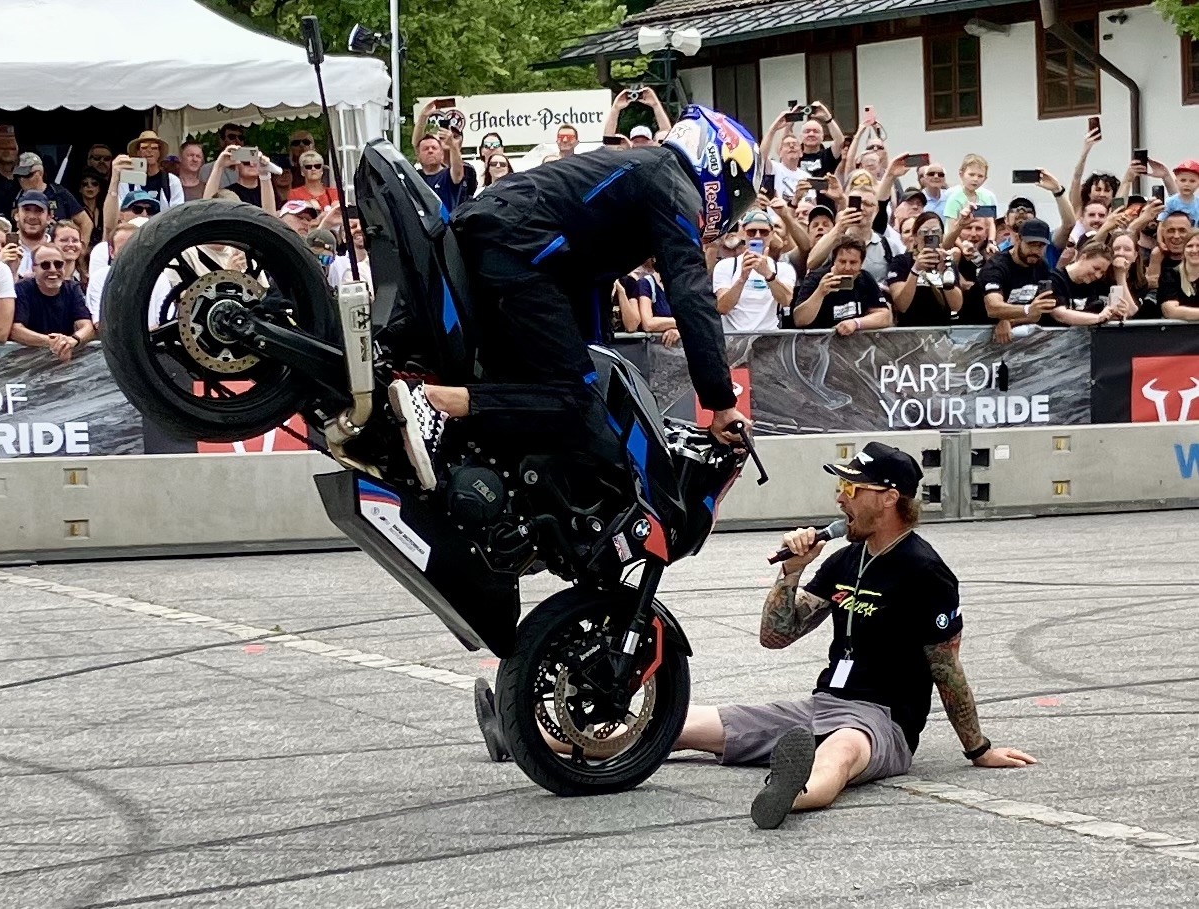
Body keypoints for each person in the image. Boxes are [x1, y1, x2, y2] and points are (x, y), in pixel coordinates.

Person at [471, 442, 1037, 831]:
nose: (840, 496)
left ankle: (791, 793)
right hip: (821, 705)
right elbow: (776, 636)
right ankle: (525, 739)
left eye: (851, 487)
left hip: (881, 721)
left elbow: (946, 666)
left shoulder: (925, 572)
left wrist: (978, 748)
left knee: (841, 751)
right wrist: (789, 574)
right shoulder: (845, 560)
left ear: (888, 497)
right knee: (675, 723)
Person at [387, 105, 757, 491]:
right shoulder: (672, 182)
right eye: (739, 196)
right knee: (576, 400)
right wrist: (721, 402)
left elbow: (590, 287)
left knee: (544, 385)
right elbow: (692, 294)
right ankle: (435, 403)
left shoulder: (641, 168)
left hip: (502, 238)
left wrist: (599, 368)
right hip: (518, 246)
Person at [9, 243, 94, 361]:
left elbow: (87, 326)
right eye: (45, 265)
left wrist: (73, 340)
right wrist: (53, 342)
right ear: (33, 268)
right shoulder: (22, 288)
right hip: (27, 360)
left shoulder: (72, 288)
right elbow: (15, 330)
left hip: (65, 357)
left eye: (58, 264)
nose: (53, 270)